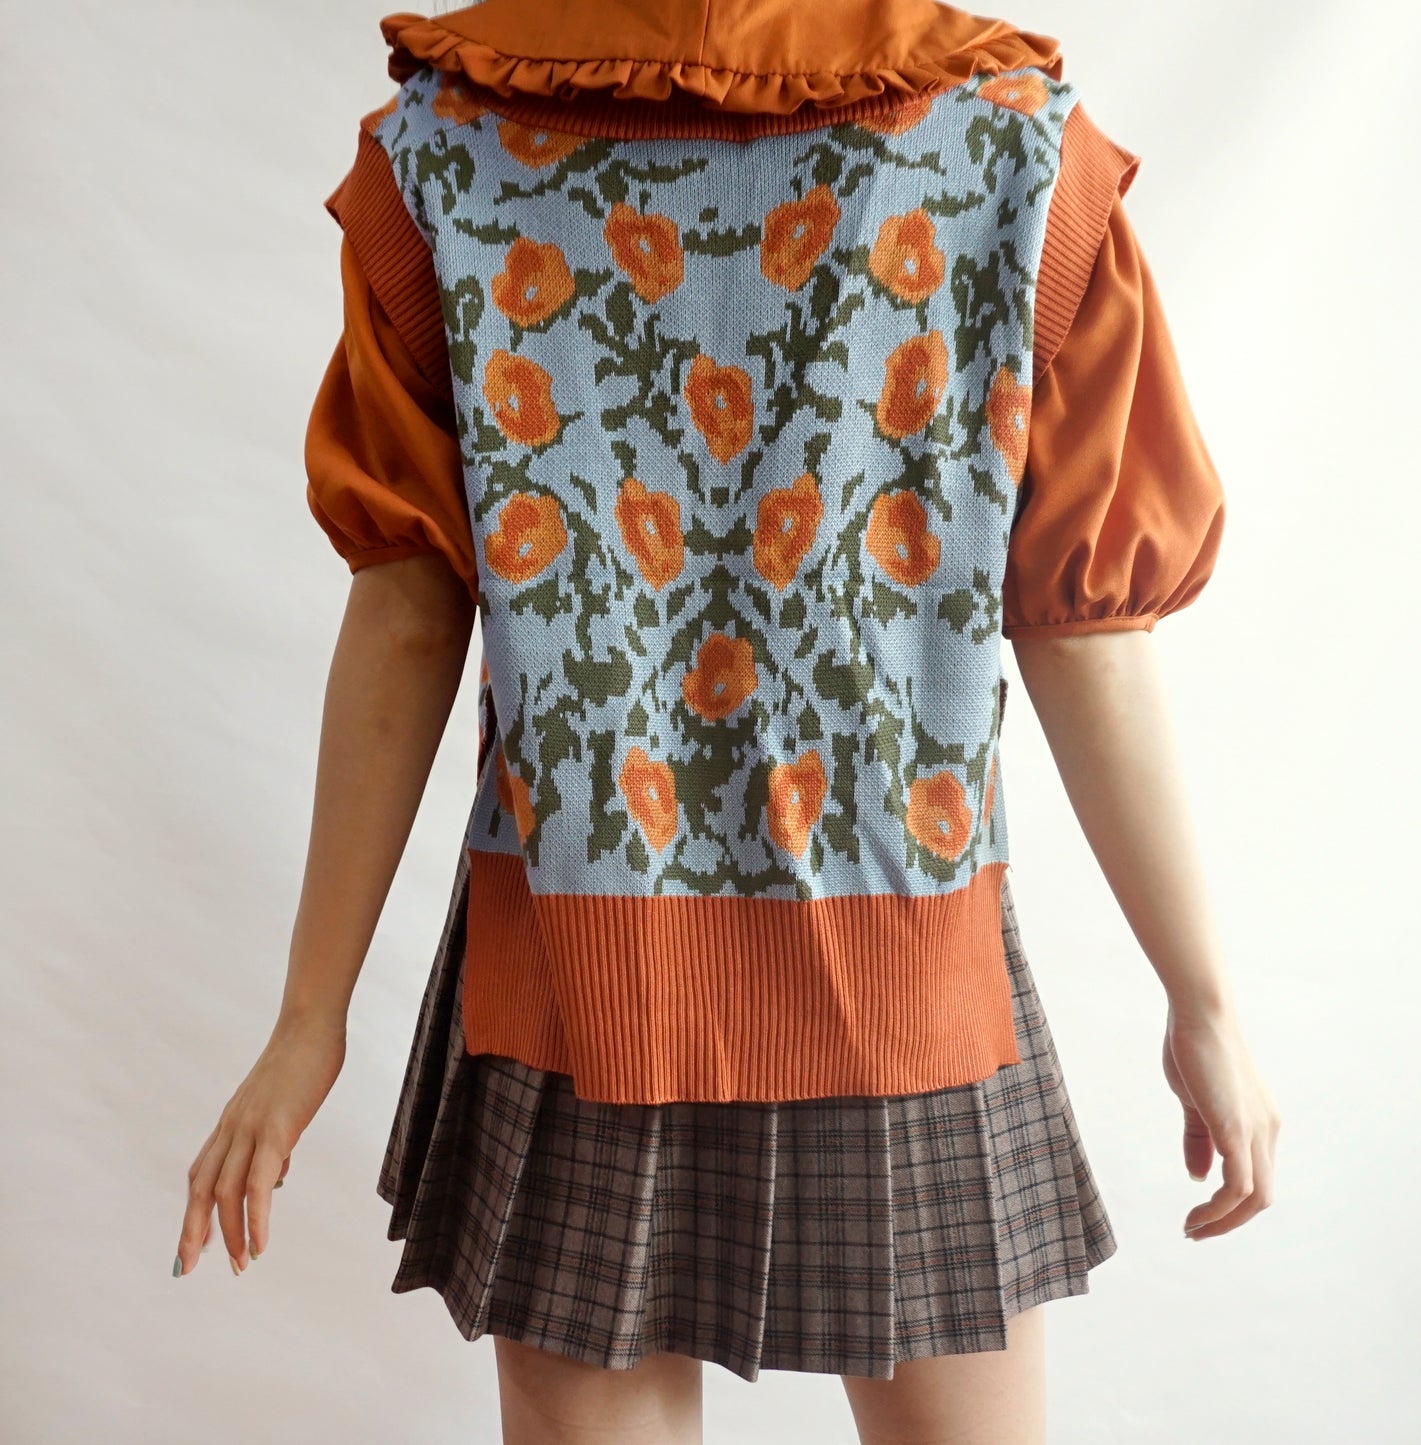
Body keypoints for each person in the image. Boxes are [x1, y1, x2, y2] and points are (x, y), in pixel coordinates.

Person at [175, 1, 1280, 1439]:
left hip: (580, 967)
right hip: (897, 953)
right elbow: (1088, 630)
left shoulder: (448, 154)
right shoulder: (1007, 150)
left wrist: (309, 1016)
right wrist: (1203, 1000)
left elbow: (405, 611)